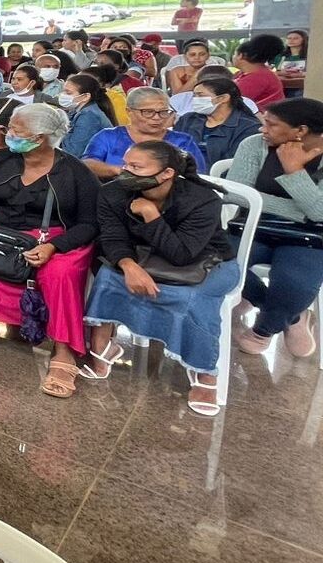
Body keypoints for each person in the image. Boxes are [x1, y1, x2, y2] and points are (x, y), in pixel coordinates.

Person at [0, 103, 101, 398]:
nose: (6, 133)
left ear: (40, 138)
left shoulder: (76, 173)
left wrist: (53, 246)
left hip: (53, 239)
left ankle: (64, 350)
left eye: (15, 130)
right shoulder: (0, 159)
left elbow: (89, 224)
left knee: (61, 271)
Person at [80, 142, 238, 417]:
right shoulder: (113, 193)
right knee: (108, 276)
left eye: (136, 168)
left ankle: (204, 372)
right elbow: (112, 237)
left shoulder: (202, 199)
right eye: (127, 164)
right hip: (143, 255)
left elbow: (183, 254)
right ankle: (103, 347)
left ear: (166, 173)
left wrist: (151, 215)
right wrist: (128, 265)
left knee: (194, 298)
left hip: (207, 262)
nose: (125, 172)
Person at [228, 98, 323, 358]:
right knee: (217, 263)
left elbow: (320, 213)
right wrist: (302, 210)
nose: (263, 129)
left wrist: (294, 171)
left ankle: (265, 329)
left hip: (309, 238)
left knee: (295, 282)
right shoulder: (254, 145)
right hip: (252, 227)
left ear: (300, 131)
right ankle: (290, 317)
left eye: (271, 124)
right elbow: (237, 194)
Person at [81, 87, 206, 178]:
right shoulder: (108, 136)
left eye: (163, 112)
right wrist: (121, 171)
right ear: (129, 112)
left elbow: (197, 174)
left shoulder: (182, 141)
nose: (157, 118)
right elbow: (88, 164)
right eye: (148, 112)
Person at [174, 76, 262, 165]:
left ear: (223, 98)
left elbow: (233, 163)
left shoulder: (249, 128)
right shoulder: (187, 119)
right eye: (194, 95)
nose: (195, 99)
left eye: (200, 95)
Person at [57, 73, 115, 157]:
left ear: (85, 96)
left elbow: (73, 152)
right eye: (63, 91)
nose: (62, 95)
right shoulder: (79, 111)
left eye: (68, 93)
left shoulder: (89, 116)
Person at [233, 34, 287, 111]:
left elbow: (231, 103)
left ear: (241, 55)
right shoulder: (258, 74)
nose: (233, 57)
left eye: (234, 54)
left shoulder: (256, 78)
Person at [276, 29, 308, 98]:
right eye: (289, 38)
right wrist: (282, 73)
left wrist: (300, 74)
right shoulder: (280, 57)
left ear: (304, 40)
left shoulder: (309, 56)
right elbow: (273, 71)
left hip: (301, 87)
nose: (291, 40)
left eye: (295, 38)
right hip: (282, 86)